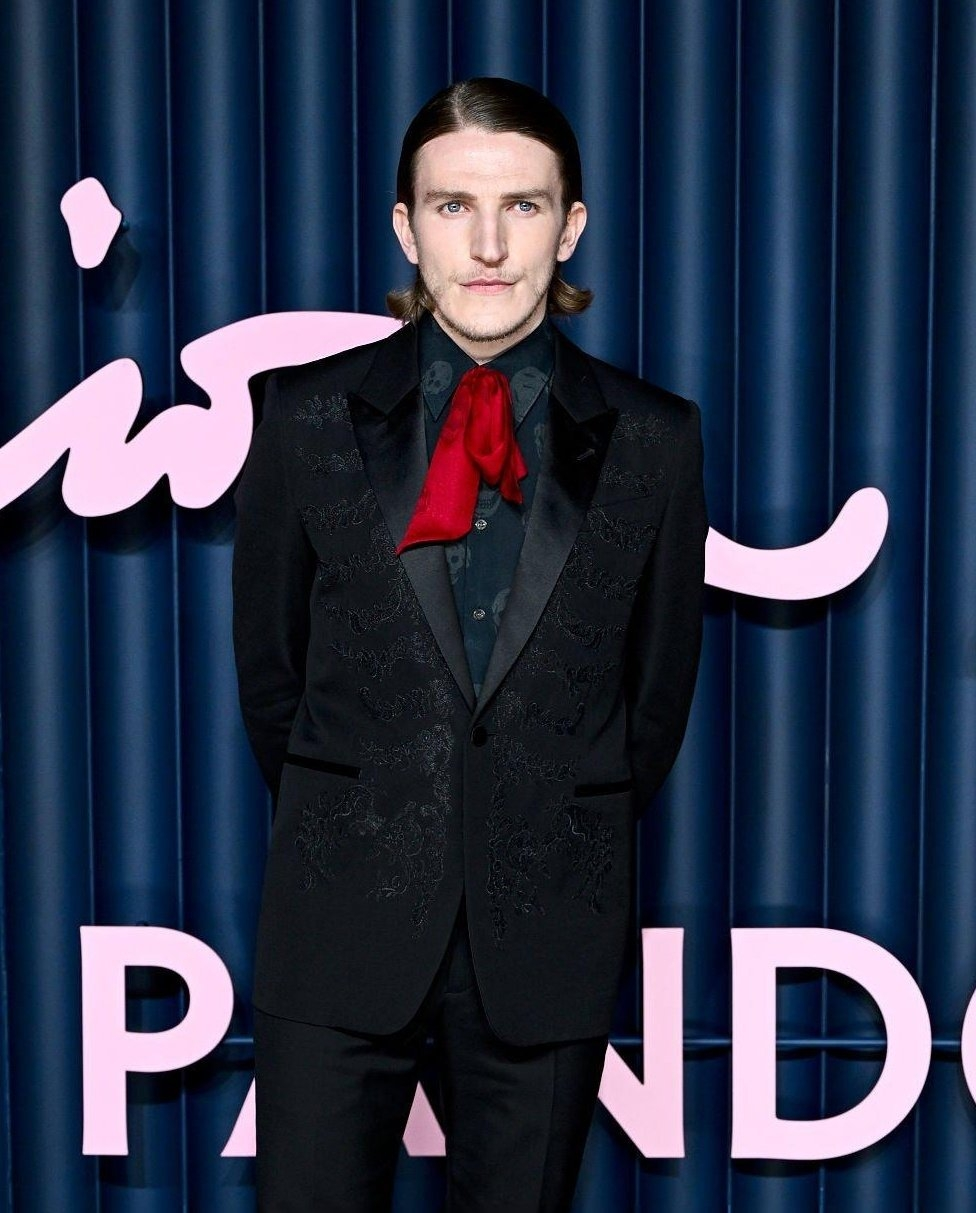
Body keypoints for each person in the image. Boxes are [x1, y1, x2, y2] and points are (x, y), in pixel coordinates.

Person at [232, 76, 708, 1213]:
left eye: (522, 207)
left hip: (548, 935)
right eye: (454, 206)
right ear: (406, 227)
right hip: (339, 925)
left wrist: (541, 819)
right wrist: (369, 810)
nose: (488, 245)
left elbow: (653, 703)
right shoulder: (301, 415)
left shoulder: (656, 438)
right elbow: (271, 677)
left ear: (570, 226)